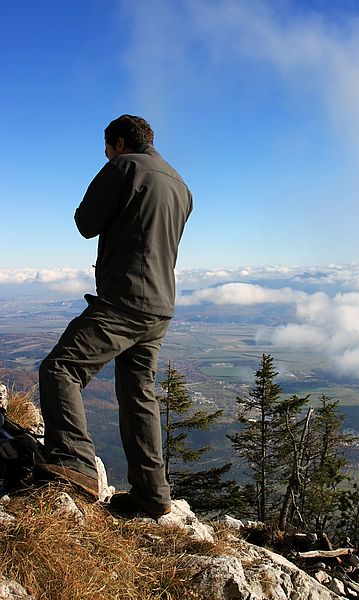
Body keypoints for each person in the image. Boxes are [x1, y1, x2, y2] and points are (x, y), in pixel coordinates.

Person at [37, 115, 193, 518]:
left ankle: (74, 464)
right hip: (160, 306)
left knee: (60, 368)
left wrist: (108, 175)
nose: (105, 155)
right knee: (138, 394)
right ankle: (151, 495)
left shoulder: (123, 167)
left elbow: (85, 223)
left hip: (124, 299)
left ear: (118, 143)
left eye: (106, 149)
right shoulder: (181, 185)